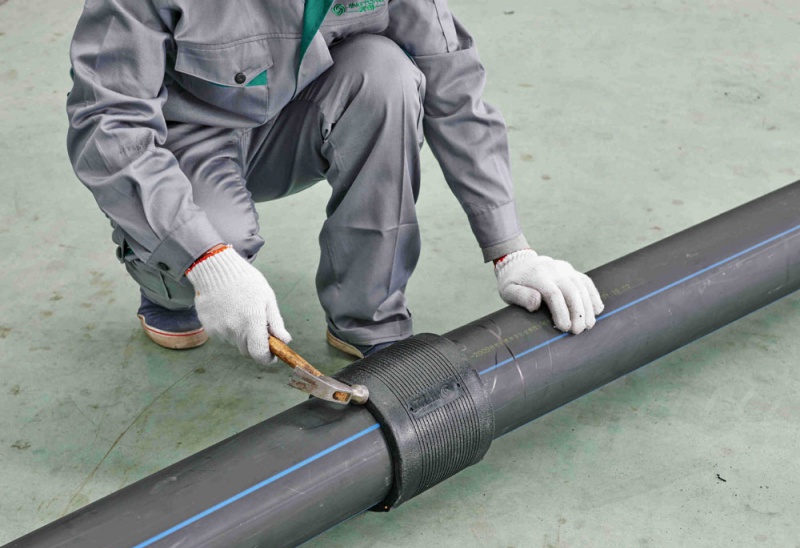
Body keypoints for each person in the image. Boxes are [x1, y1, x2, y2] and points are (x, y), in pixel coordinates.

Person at [67, 0, 604, 364]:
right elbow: (107, 122)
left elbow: (454, 87)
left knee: (387, 74)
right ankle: (164, 284)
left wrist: (511, 250)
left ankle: (369, 318)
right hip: (184, 135)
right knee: (209, 250)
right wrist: (205, 258)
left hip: (296, 115)